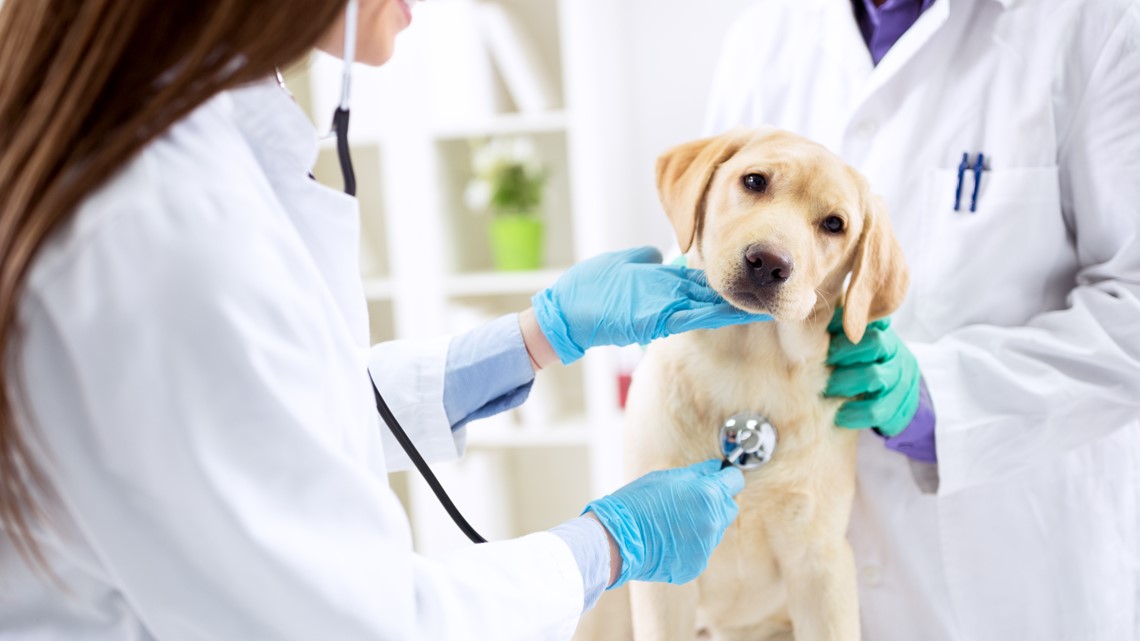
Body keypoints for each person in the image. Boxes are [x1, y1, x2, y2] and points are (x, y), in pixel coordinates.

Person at [0, 1, 770, 639]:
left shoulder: (189, 144)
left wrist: (535, 337)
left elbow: (263, 415)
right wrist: (607, 544)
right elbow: (368, 624)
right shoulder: (164, 225)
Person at [703, 0, 1140, 639]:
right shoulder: (763, 38)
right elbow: (716, 245)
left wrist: (937, 402)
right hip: (797, 585)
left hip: (1016, 574)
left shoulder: (1095, 23)